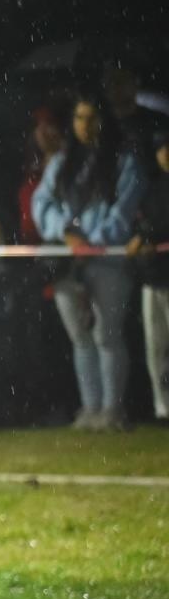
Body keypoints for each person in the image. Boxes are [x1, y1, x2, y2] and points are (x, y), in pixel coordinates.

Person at [32, 92, 145, 431]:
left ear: (104, 121)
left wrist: (91, 242)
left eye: (92, 117)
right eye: (79, 118)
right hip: (69, 260)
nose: (85, 125)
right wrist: (65, 233)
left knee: (107, 335)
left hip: (106, 260)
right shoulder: (63, 162)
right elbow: (41, 204)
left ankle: (112, 410)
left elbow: (123, 213)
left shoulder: (125, 161)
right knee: (80, 337)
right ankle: (90, 409)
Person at [129, 130, 169, 421]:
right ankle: (162, 407)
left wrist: (149, 235)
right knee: (155, 348)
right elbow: (143, 222)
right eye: (161, 149)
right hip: (152, 278)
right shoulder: (152, 188)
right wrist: (141, 236)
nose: (165, 154)